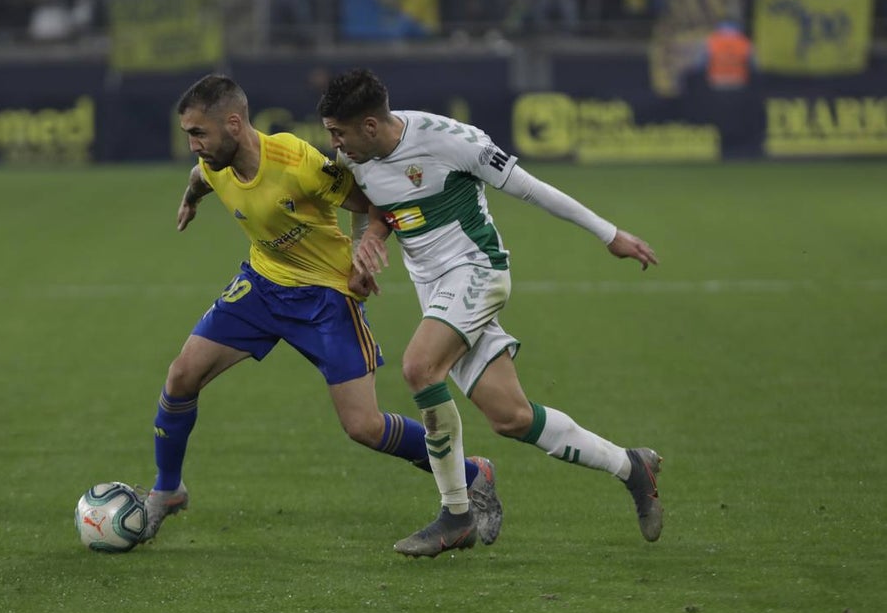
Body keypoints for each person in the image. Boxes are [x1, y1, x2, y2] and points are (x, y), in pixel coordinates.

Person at [142, 74, 503, 547]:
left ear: (233, 124)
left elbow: (371, 203)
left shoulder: (296, 161)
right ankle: (168, 490)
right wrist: (190, 200)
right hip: (262, 286)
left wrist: (362, 251)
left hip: (325, 297)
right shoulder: (214, 162)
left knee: (365, 427)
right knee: (181, 376)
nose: (193, 146)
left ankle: (473, 472)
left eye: (198, 133)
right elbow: (200, 178)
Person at [317, 69, 663, 557]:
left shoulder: (451, 141)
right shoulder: (356, 154)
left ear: (370, 126)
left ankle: (456, 513)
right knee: (512, 417)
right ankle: (632, 467)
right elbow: (374, 206)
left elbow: (532, 188)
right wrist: (367, 241)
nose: (333, 144)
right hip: (437, 291)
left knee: (419, 368)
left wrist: (609, 234)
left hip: (477, 270)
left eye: (339, 132)